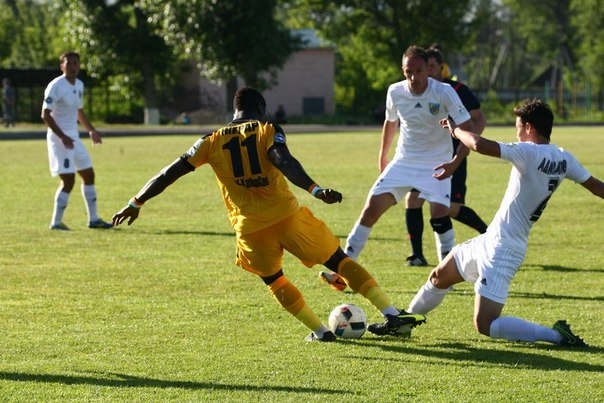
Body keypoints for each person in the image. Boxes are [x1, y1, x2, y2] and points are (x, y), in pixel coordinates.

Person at [111, 86, 426, 342]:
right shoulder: (267, 129)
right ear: (260, 109)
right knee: (338, 260)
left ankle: (321, 332)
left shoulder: (210, 140)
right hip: (288, 217)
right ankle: (391, 314)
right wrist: (315, 189)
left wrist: (136, 202)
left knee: (274, 279)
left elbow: (169, 173)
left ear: (235, 110)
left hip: (250, 229)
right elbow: (282, 160)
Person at [403, 98, 604, 347]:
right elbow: (597, 187)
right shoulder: (564, 158)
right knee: (439, 276)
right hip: (492, 239)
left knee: (485, 324)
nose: (516, 132)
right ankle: (404, 322)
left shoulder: (528, 152)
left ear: (529, 127)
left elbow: (478, 144)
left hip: (504, 249)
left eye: (518, 126)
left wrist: (455, 130)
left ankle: (558, 336)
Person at [343, 45, 474, 265]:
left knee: (439, 216)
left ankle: (447, 271)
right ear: (403, 70)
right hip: (404, 162)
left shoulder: (444, 91)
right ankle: (344, 266)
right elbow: (390, 122)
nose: (414, 77)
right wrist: (383, 154)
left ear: (428, 70)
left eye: (419, 71)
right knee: (370, 210)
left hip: (437, 164)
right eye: (408, 72)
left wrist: (454, 163)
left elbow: (467, 127)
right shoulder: (395, 91)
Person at [404, 47, 488, 267]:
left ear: (441, 68)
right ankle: (417, 255)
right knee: (413, 199)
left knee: (448, 207)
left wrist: (469, 142)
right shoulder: (418, 91)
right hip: (426, 158)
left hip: (453, 157)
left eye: (433, 66)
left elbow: (479, 118)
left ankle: (488, 234)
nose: (429, 71)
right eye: (427, 67)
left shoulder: (457, 90)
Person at [42, 51, 113, 230]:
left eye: (76, 63)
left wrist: (91, 130)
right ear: (62, 66)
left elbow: (79, 111)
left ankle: (94, 219)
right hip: (60, 139)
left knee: (88, 174)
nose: (73, 66)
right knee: (68, 180)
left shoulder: (79, 84)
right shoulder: (56, 86)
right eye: (69, 63)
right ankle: (56, 223)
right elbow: (45, 114)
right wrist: (62, 136)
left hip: (73, 137)